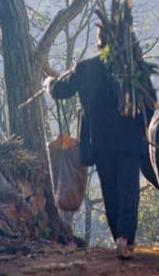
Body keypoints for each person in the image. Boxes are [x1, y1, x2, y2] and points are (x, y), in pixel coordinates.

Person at [44, 29, 152, 259]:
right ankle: (126, 239)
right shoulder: (135, 68)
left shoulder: (85, 67)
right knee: (129, 192)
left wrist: (49, 82)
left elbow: (61, 90)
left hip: (100, 143)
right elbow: (150, 104)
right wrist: (142, 129)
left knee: (110, 192)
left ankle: (118, 240)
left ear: (99, 41)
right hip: (131, 142)